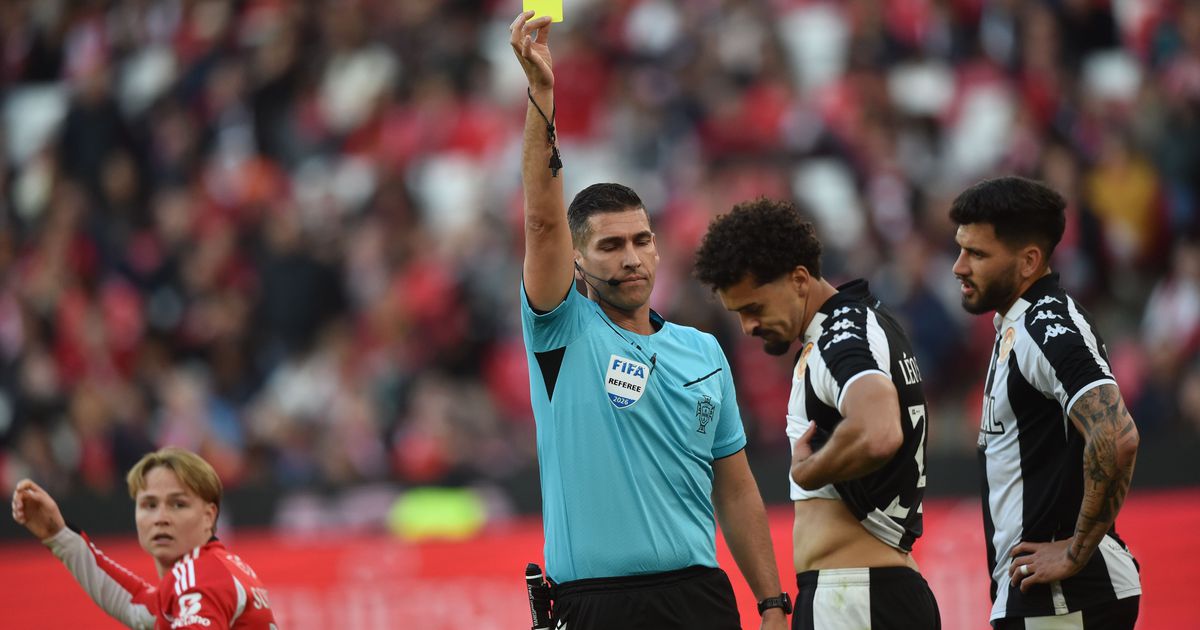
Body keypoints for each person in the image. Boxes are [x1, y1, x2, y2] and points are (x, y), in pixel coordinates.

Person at [509, 11, 789, 630]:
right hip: (597, 604)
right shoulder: (563, 332)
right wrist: (543, 95)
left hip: (699, 600)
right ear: (578, 260)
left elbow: (735, 488)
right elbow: (543, 221)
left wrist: (772, 602)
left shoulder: (704, 351)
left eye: (642, 240)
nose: (631, 257)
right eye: (610, 246)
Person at [694, 198, 941, 630]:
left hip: (855, 596)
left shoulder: (838, 338)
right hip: (873, 592)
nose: (747, 327)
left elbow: (878, 431)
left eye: (754, 308)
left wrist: (809, 471)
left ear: (799, 279)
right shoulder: (866, 323)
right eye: (738, 314)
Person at [949, 176, 1141, 629]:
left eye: (977, 254)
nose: (958, 266)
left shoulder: (1046, 326)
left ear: (1029, 261)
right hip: (1046, 597)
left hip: (1062, 598)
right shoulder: (1020, 324)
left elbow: (1117, 435)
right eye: (960, 249)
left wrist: (1075, 551)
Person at [11, 447, 278, 629]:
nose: (161, 517)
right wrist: (58, 535)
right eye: (149, 505)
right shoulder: (213, 569)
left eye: (178, 504)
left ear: (209, 516)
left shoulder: (198, 576)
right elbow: (137, 605)